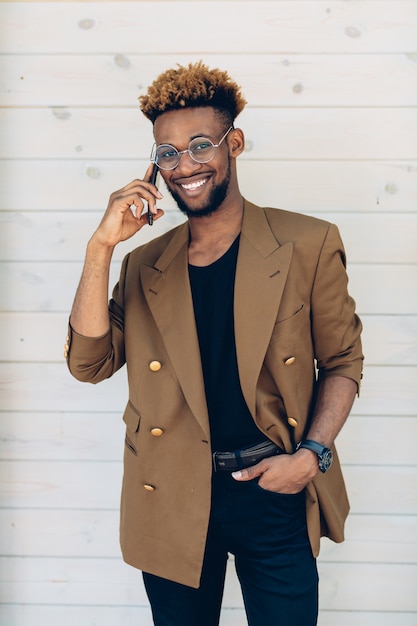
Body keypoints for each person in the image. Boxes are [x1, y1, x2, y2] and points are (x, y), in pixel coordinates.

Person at [65, 61, 363, 626]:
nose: (185, 165)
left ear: (235, 143)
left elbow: (344, 361)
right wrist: (101, 247)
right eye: (167, 153)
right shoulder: (142, 263)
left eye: (200, 145)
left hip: (272, 488)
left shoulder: (307, 243)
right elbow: (89, 363)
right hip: (172, 491)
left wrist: (312, 456)